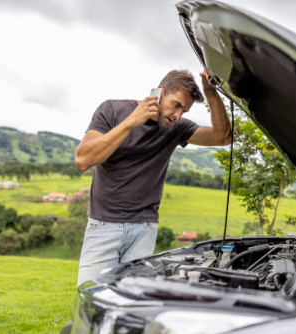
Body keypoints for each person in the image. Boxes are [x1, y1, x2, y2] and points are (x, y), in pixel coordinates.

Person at [75, 69, 231, 287]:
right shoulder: (112, 110)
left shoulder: (176, 128)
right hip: (103, 225)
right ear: (159, 92)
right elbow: (84, 159)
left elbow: (223, 137)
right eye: (176, 105)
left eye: (184, 111)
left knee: (133, 301)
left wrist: (211, 92)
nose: (177, 116)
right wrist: (131, 122)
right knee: (90, 294)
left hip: (144, 229)